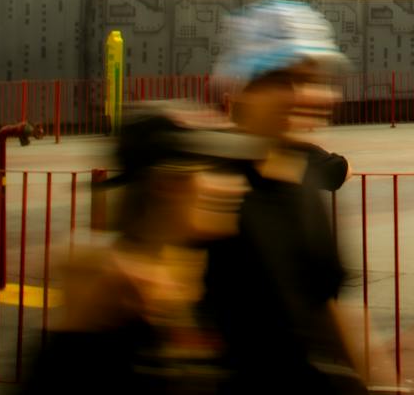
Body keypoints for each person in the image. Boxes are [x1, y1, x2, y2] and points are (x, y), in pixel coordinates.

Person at [22, 104, 262, 394]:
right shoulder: (115, 300)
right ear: (168, 184)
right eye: (217, 171)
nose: (237, 186)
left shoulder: (210, 274)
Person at [202, 0, 377, 394]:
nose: (304, 94)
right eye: (282, 79)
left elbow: (327, 305)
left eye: (314, 79)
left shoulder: (299, 184)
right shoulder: (205, 188)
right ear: (240, 90)